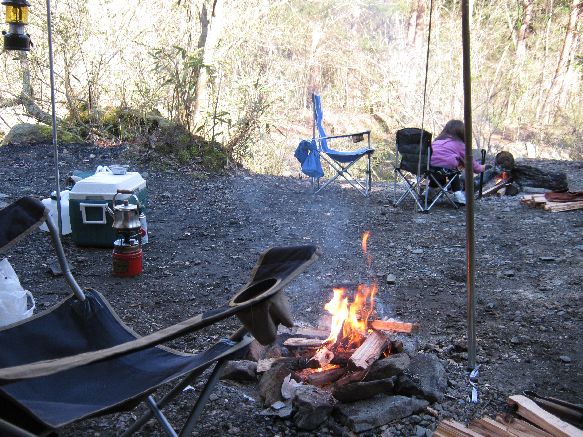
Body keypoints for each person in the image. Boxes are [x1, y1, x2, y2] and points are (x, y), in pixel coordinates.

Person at [430, 119, 486, 205]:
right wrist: (482, 167)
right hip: (444, 170)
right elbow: (473, 165)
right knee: (453, 171)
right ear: (462, 133)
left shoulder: (436, 142)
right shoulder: (459, 144)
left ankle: (428, 194)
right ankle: (458, 197)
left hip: (428, 169)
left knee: (440, 171)